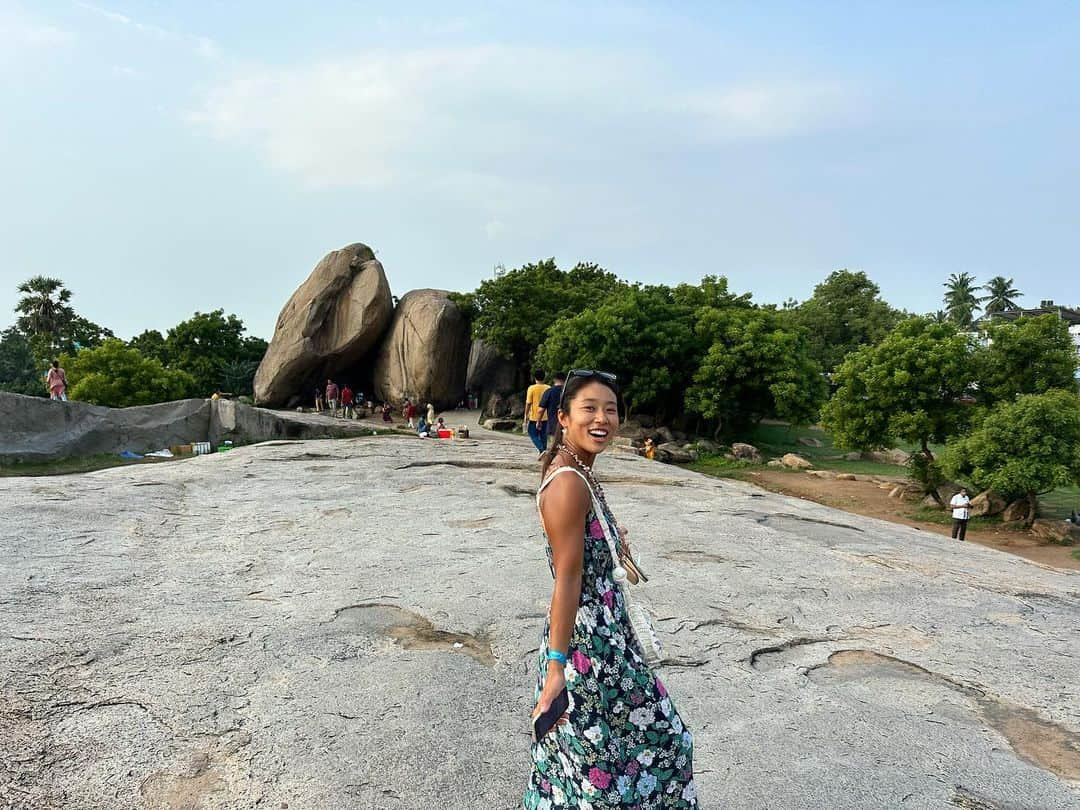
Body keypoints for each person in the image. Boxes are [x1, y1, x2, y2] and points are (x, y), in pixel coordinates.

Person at [525, 370, 696, 807]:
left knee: (590, 764)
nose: (602, 418)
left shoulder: (577, 470)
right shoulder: (568, 483)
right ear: (563, 417)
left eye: (611, 409)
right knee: (659, 749)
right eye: (589, 408)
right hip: (589, 647)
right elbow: (567, 579)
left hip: (604, 637)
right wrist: (556, 668)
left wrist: (610, 540)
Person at [523, 369, 550, 457]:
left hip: (534, 416)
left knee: (532, 433)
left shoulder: (532, 388)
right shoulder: (548, 388)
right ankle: (543, 451)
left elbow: (528, 403)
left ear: (535, 377)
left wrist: (525, 415)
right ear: (544, 377)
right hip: (546, 415)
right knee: (543, 435)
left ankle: (542, 450)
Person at [537, 371, 565, 451]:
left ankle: (557, 461)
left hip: (553, 424)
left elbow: (541, 410)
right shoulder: (570, 392)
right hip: (569, 425)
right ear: (565, 379)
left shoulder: (549, 391)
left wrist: (538, 421)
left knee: (554, 448)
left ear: (554, 380)